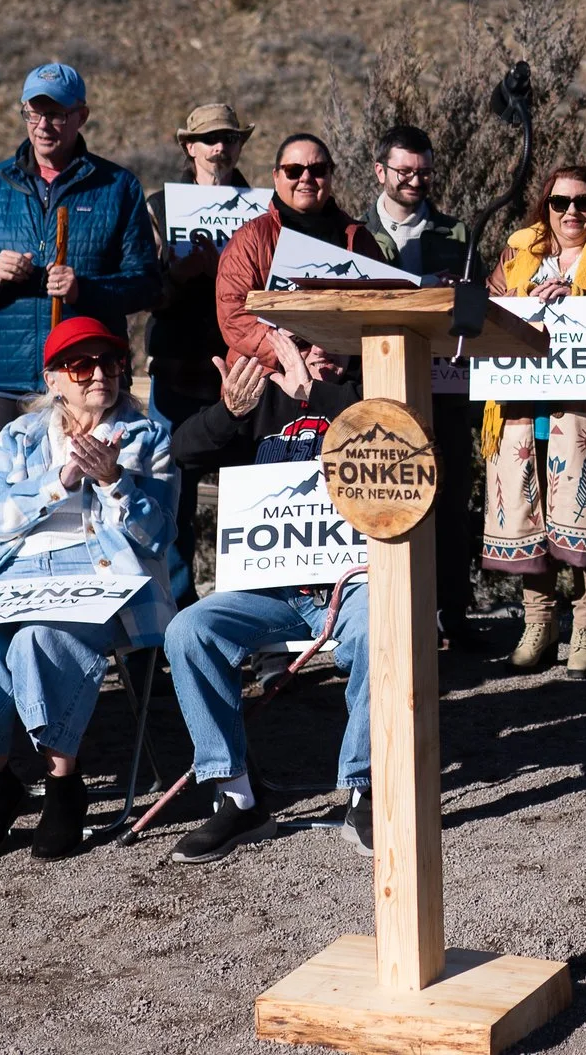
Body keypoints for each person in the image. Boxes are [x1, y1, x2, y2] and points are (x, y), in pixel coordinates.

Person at [0, 317, 178, 859]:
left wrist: (117, 483)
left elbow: (161, 535)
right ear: (53, 381)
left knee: (38, 640)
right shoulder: (16, 438)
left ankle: (64, 785)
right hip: (16, 574)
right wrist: (58, 482)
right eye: (81, 365)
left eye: (111, 363)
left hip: (99, 577)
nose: (99, 375)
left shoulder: (149, 437)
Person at [162, 327, 370, 861]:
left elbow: (392, 440)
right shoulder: (262, 399)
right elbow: (182, 451)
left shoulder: (375, 387)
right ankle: (237, 798)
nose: (318, 349)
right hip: (273, 586)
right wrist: (229, 413)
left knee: (378, 625)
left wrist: (313, 396)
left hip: (354, 583)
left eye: (330, 335)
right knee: (190, 630)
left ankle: (367, 789)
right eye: (304, 340)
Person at [482, 165, 586, 678]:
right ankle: (538, 625)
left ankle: (585, 629)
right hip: (521, 409)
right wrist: (516, 303)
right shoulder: (518, 252)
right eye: (560, 202)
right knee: (528, 515)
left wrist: (579, 303)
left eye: (583, 202)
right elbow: (490, 308)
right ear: (546, 206)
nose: (571, 212)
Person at [0, 62, 161, 436]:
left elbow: (145, 283)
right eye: (33, 113)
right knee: (7, 493)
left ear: (82, 116)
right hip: (8, 383)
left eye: (56, 114)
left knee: (92, 491)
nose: (42, 125)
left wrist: (84, 291)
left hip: (89, 382)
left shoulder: (118, 186)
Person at [358, 124, 483, 631]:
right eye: (405, 171)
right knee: (383, 496)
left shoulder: (457, 234)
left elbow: (476, 303)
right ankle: (383, 613)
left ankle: (452, 612)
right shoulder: (355, 234)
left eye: (424, 172)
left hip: (445, 389)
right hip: (377, 386)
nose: (415, 180)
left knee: (450, 496)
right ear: (379, 170)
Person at [147, 101, 255, 601]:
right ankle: (174, 609)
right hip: (175, 369)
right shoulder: (157, 208)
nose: (220, 146)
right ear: (188, 148)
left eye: (229, 138)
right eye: (209, 138)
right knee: (169, 496)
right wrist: (176, 276)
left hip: (244, 370)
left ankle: (245, 608)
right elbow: (144, 290)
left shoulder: (262, 210)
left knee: (246, 497)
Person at [213, 133, 388, 371]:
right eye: (294, 170)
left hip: (342, 382)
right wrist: (293, 354)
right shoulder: (250, 238)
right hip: (268, 381)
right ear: (276, 177)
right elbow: (234, 315)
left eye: (317, 169)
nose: (306, 178)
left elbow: (383, 308)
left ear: (330, 175)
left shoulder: (358, 239)